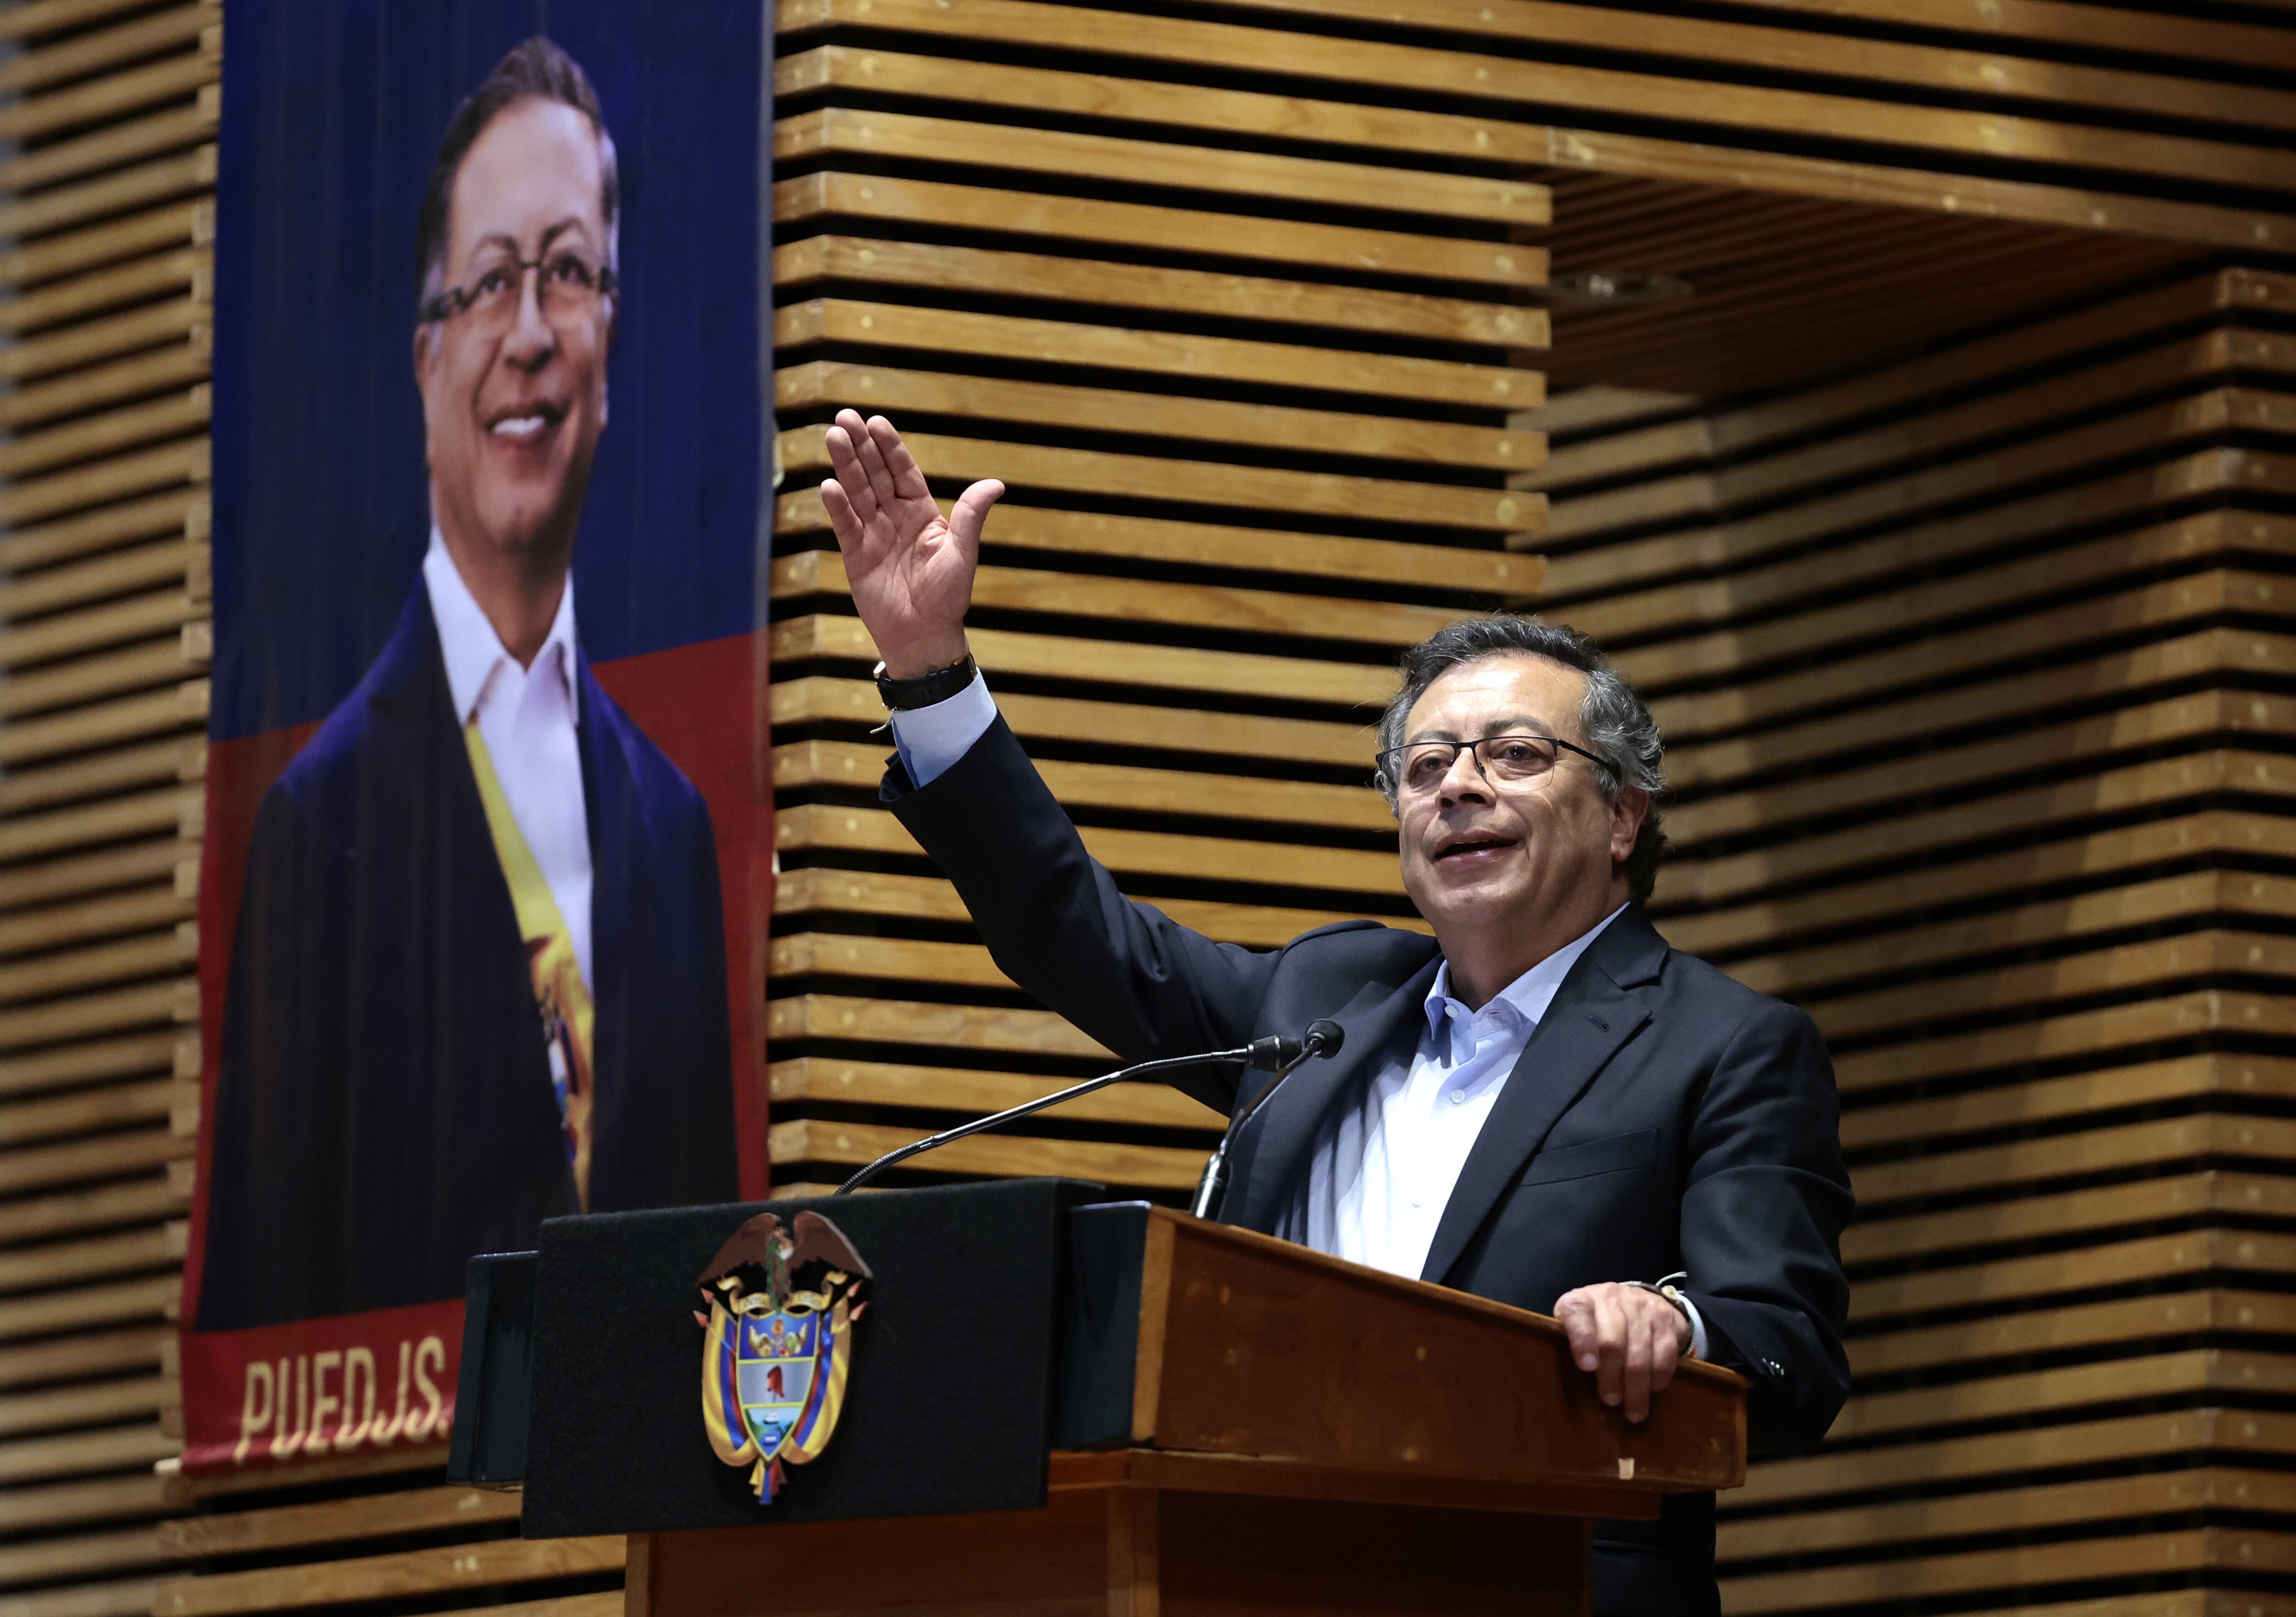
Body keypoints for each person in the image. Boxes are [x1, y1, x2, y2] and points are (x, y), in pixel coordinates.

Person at [817, 409, 1852, 1613]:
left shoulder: (1723, 1046)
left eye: (1515, 755)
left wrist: (1675, 1323)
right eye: (1427, 765)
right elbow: (1070, 930)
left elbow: (1789, 1348)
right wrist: (931, 671)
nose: (1459, 786)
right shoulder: (1322, 1002)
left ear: (1624, 815)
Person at [197, 39, 737, 1333]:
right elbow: (262, 1316)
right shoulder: (314, 825)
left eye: (569, 273)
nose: (533, 335)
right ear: (426, 355)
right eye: (492, 283)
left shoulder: (672, 828)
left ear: (613, 334)